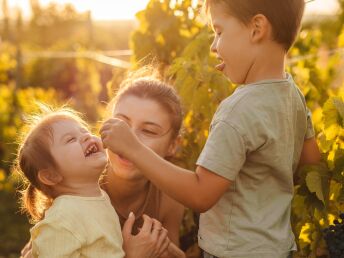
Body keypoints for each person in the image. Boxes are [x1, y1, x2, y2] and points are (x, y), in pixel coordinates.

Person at [100, 1, 322, 258]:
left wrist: (133, 147)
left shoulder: (237, 111)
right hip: (278, 247)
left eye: (219, 32)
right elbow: (310, 166)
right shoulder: (293, 95)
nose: (214, 46)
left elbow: (200, 194)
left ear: (257, 29)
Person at [16, 106, 168, 258]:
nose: (87, 137)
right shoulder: (62, 220)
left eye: (85, 131)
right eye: (70, 139)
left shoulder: (98, 198)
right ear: (51, 176)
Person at [101, 71, 185, 257]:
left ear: (172, 146)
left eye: (148, 131)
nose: (128, 139)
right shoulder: (77, 179)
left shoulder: (169, 196)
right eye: (121, 124)